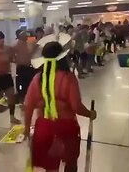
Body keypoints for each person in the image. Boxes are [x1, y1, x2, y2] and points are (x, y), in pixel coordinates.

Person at [24, 40, 96, 172]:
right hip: (66, 128)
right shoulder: (68, 78)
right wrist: (90, 114)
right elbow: (76, 107)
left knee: (50, 166)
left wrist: (27, 128)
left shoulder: (37, 79)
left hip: (44, 128)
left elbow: (28, 105)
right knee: (71, 163)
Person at [0, 31, 21, 124]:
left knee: (12, 96)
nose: (2, 41)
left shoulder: (8, 49)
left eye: (3, 39)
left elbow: (13, 59)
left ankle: (12, 117)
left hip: (6, 76)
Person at [14, 29, 37, 104]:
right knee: (22, 84)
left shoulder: (30, 41)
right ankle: (22, 99)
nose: (26, 35)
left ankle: (29, 98)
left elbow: (32, 49)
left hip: (30, 66)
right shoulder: (18, 43)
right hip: (22, 67)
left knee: (30, 83)